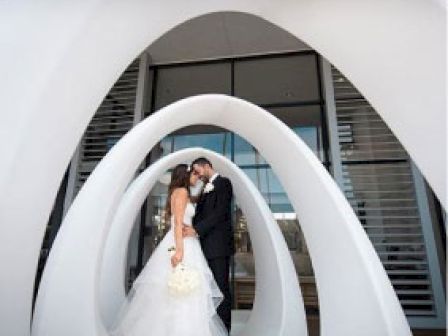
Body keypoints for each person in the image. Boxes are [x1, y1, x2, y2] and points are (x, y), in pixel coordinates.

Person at [110, 164, 228, 336]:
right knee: (180, 290)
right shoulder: (181, 192)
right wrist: (179, 251)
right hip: (181, 242)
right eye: (194, 174)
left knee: (186, 290)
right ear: (185, 176)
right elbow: (178, 223)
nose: (196, 177)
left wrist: (206, 186)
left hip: (187, 240)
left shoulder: (182, 193)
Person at [183, 157, 234, 332]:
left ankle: (224, 330)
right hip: (204, 247)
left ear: (207, 166)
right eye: (194, 173)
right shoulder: (204, 189)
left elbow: (219, 213)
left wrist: (196, 229)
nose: (197, 175)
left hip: (219, 247)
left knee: (221, 290)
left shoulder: (224, 183)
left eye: (198, 171)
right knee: (208, 291)